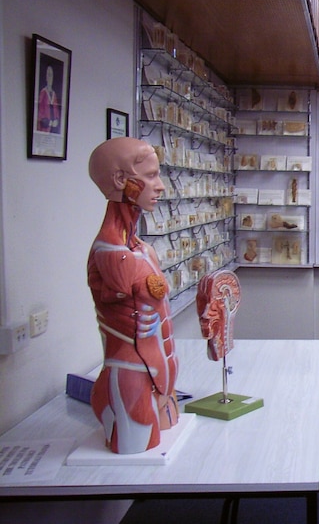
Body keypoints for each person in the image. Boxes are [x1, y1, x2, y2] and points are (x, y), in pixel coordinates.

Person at [88, 136, 179, 454]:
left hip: (160, 373)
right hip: (133, 377)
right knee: (138, 453)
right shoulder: (111, 252)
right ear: (119, 180)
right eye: (151, 176)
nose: (160, 186)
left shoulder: (140, 248)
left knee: (166, 440)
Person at [37, 64, 61, 133]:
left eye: (51, 75)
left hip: (53, 130)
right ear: (46, 77)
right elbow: (40, 115)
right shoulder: (43, 92)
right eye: (49, 75)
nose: (50, 78)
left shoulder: (54, 94)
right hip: (45, 129)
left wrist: (56, 121)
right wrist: (49, 122)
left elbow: (57, 112)